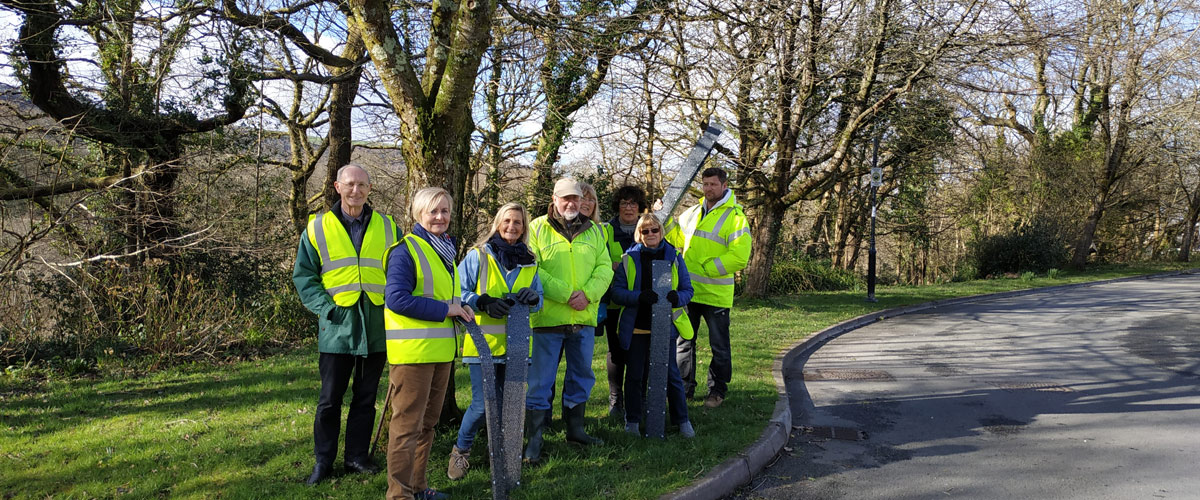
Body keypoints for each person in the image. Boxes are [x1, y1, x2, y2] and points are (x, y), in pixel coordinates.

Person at [293, 164, 398, 485]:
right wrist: (326, 309)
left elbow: (401, 272)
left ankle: (356, 457)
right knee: (329, 400)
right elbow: (304, 276)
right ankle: (323, 462)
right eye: (350, 185)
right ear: (337, 187)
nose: (356, 191)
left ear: (369, 189)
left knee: (365, 399)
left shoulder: (389, 226)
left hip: (377, 324)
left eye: (363, 185)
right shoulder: (316, 228)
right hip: (337, 327)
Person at [383, 187, 475, 500]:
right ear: (419, 214)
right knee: (407, 427)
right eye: (433, 211)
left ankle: (418, 488)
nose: (440, 217)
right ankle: (399, 495)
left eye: (445, 211)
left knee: (427, 426)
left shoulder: (445, 251)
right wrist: (445, 310)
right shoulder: (405, 250)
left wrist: (461, 307)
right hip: (412, 355)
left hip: (440, 353)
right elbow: (396, 299)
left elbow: (442, 297)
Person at [447, 203, 543, 480]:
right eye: (507, 221)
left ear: (524, 228)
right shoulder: (478, 256)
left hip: (517, 346)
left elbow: (540, 299)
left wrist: (534, 299)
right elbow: (458, 291)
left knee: (509, 404)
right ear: (497, 223)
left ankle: (503, 455)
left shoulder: (531, 261)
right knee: (482, 404)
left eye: (518, 223)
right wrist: (482, 301)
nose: (512, 227)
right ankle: (460, 451)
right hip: (483, 344)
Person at [523, 178, 614, 463]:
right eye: (565, 199)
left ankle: (576, 430)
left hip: (583, 318)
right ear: (554, 199)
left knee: (581, 376)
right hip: (548, 319)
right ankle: (534, 440)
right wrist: (566, 294)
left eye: (575, 198)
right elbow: (532, 268)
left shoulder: (595, 231)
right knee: (540, 381)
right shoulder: (536, 228)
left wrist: (588, 294)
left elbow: (605, 267)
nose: (571, 203)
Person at [664, 167, 751, 408]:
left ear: (724, 185)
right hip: (689, 293)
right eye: (705, 184)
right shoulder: (692, 212)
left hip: (715, 294)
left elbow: (740, 257)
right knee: (684, 342)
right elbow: (678, 240)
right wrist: (666, 219)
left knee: (719, 347)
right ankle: (684, 388)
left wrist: (707, 268)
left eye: (713, 184)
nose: (708, 189)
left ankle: (717, 391)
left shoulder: (735, 217)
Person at [610, 214, 696, 438]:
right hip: (637, 327)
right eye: (645, 231)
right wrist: (638, 297)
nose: (650, 235)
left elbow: (688, 289)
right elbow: (617, 293)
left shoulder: (675, 257)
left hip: (665, 326)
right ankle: (633, 421)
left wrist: (678, 298)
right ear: (639, 234)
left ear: (661, 231)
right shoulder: (629, 259)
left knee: (671, 375)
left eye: (654, 230)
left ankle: (682, 421)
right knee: (635, 375)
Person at [600, 185, 648, 418]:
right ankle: (616, 400)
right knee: (617, 352)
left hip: (642, 302)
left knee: (641, 352)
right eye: (624, 203)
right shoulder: (605, 230)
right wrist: (612, 267)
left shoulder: (648, 228)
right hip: (614, 300)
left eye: (633, 203)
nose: (629, 208)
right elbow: (597, 259)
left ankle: (639, 397)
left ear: (640, 207)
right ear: (617, 206)